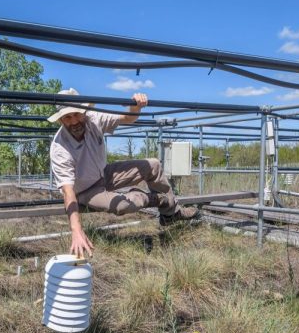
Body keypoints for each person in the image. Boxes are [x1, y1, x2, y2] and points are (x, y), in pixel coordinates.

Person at [48, 88, 197, 258]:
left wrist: (135, 108)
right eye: (67, 117)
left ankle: (171, 214)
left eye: (77, 114)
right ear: (60, 120)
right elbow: (68, 191)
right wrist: (76, 230)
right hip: (85, 190)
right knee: (122, 205)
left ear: (84, 112)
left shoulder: (93, 119)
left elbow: (126, 118)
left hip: (103, 173)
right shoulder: (60, 148)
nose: (74, 121)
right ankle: (155, 199)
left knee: (153, 165)